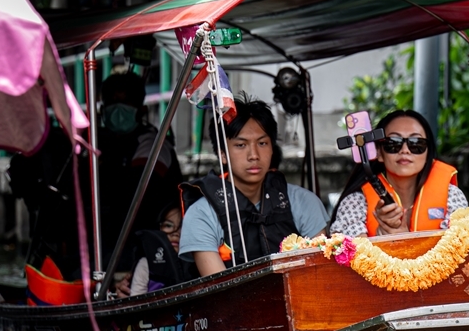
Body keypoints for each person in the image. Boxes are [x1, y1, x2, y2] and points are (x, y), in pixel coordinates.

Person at [179, 98, 328, 277]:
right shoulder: (201, 215)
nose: (254, 155)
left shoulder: (305, 203)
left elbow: (320, 274)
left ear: (273, 148)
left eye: (262, 143)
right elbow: (220, 291)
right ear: (223, 154)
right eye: (241, 145)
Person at [329, 109, 467, 237]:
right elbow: (350, 257)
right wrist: (381, 240)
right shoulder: (355, 203)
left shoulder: (452, 197)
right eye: (393, 143)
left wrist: (405, 242)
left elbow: (458, 252)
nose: (405, 150)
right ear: (378, 152)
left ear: (428, 153)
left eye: (416, 143)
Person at [97, 72, 183, 266]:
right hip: (110, 239)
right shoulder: (100, 142)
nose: (118, 109)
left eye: (125, 102)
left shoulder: (152, 143)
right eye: (112, 102)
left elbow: (137, 188)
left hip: (148, 241)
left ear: (141, 110)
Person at [129, 203, 195, 295]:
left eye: (182, 227)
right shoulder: (146, 264)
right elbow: (135, 303)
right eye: (168, 225)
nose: (175, 233)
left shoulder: (198, 262)